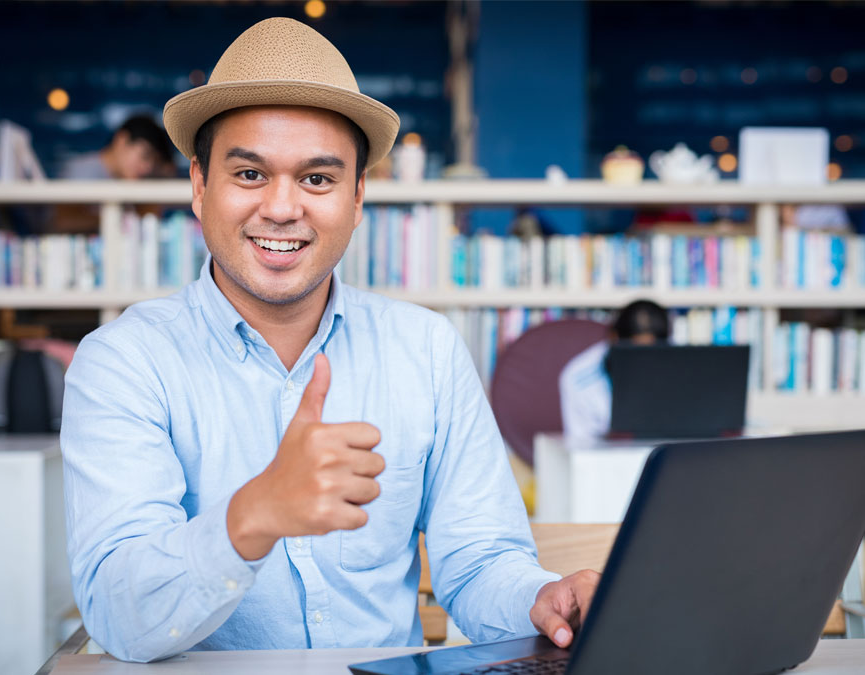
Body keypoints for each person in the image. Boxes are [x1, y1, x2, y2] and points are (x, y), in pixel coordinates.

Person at [61, 18, 599, 663]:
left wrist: (542, 596)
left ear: (357, 196)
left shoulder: (425, 348)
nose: (284, 208)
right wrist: (252, 517)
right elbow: (119, 614)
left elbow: (480, 561)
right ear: (200, 187)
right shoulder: (122, 361)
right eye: (250, 175)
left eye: (318, 179)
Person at [559, 300, 669, 438]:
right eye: (637, 352)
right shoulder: (578, 377)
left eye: (652, 352)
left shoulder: (679, 369)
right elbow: (581, 445)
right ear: (614, 338)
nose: (644, 361)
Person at [60, 114, 174, 180]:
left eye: (153, 162)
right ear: (122, 140)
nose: (147, 168)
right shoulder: (83, 173)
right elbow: (64, 218)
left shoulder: (121, 180)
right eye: (145, 156)